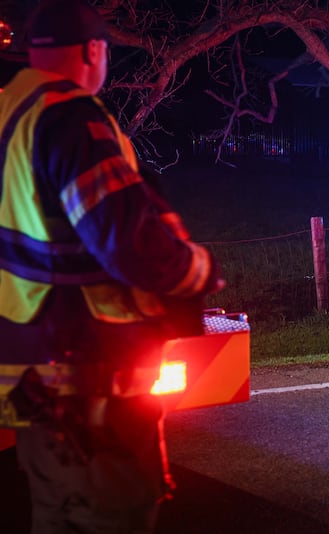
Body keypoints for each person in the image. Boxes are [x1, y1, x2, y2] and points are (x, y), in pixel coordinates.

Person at [0, 0, 222, 532]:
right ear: (94, 51)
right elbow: (128, 241)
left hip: (33, 384)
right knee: (113, 513)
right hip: (87, 387)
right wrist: (199, 271)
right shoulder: (68, 113)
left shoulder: (10, 110)